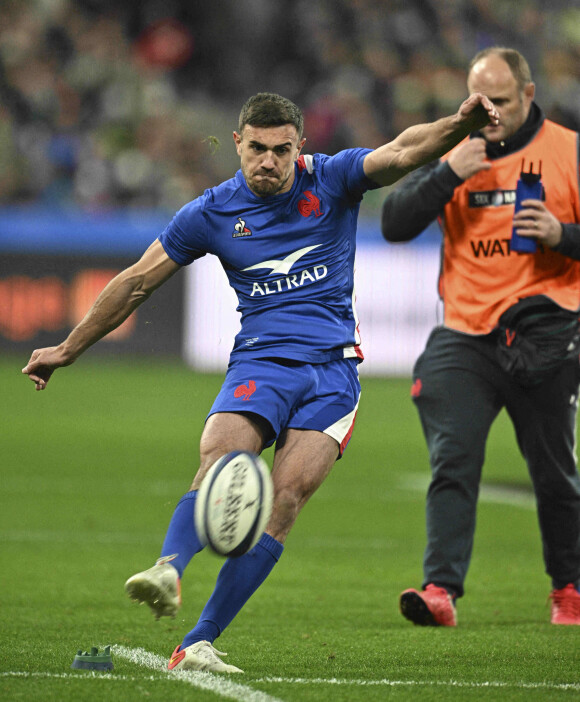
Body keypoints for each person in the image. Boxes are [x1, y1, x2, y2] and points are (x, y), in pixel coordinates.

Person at [23, 90, 499, 672]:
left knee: (285, 501)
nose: (268, 161)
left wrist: (459, 124)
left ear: (300, 145)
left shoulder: (333, 178)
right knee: (221, 459)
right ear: (236, 144)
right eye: (256, 149)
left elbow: (402, 153)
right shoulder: (211, 212)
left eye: (280, 149)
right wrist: (68, 348)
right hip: (261, 361)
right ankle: (167, 568)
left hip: (332, 372)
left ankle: (196, 641)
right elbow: (136, 281)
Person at [381, 47, 580, 628]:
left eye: (501, 100)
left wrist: (562, 235)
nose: (489, 111)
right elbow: (394, 223)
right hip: (464, 333)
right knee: (453, 458)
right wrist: (446, 173)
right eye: (479, 100)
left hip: (545, 329)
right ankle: (440, 591)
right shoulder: (457, 151)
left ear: (529, 94)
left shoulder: (568, 151)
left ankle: (568, 587)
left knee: (553, 469)